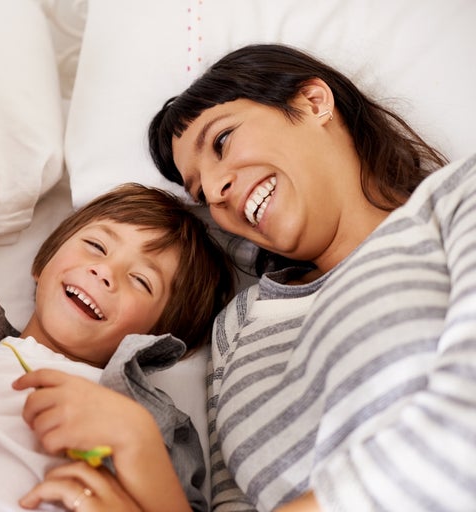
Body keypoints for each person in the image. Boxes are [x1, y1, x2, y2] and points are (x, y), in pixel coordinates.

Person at [148, 43, 476, 512]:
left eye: (221, 142)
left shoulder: (459, 197)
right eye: (200, 190)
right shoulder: (238, 325)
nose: (216, 191)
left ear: (313, 102)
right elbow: (231, 502)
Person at [0, 183, 237, 512]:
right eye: (97, 246)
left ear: (158, 336)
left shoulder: (149, 422)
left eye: (141, 280)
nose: (104, 271)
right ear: (43, 262)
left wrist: (142, 446)